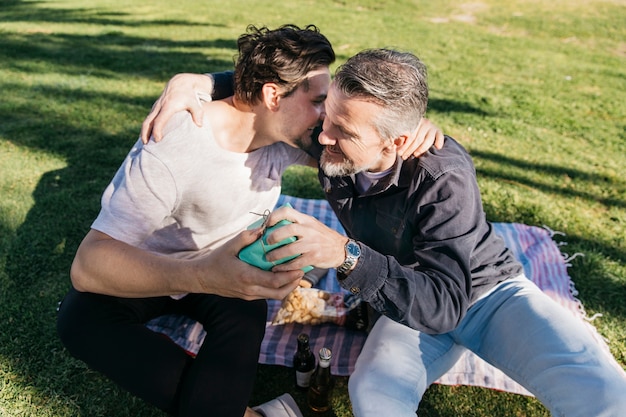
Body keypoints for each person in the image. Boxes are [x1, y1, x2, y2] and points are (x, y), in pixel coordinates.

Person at [151, 49, 626, 416]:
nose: (321, 138)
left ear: (397, 141)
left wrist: (346, 254)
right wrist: (193, 83)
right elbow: (271, 91)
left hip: (489, 297)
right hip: (406, 306)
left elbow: (445, 304)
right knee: (373, 392)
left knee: (605, 393)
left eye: (343, 131)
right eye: (327, 116)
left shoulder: (443, 177)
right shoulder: (337, 136)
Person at [57, 24, 334, 417]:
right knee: (79, 320)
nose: (326, 115)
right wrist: (201, 275)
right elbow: (87, 265)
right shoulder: (176, 149)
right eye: (319, 101)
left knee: (245, 310)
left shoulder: (284, 134)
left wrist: (414, 135)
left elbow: (350, 153)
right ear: (273, 95)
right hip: (152, 265)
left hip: (228, 263)